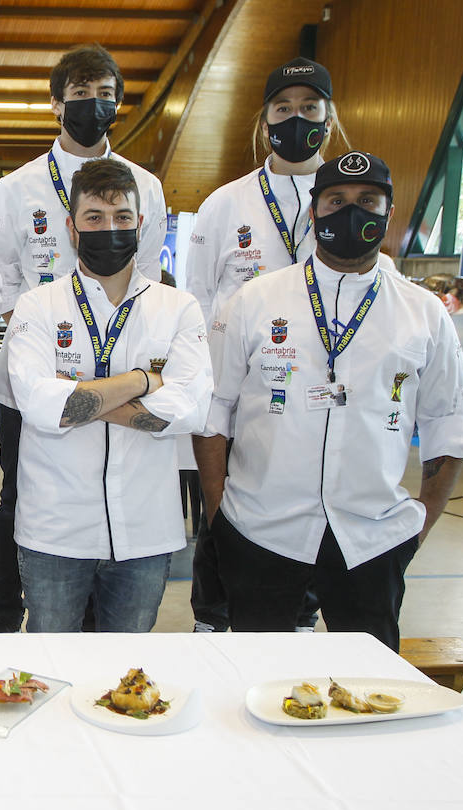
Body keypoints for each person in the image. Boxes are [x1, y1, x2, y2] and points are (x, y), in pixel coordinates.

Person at [197, 152, 463, 652]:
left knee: (368, 693)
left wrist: (420, 523)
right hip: (262, 529)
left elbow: (448, 425)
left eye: (367, 201)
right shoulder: (255, 301)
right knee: (257, 678)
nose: (352, 213)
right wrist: (220, 513)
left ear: (389, 214)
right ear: (314, 213)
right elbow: (213, 412)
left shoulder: (424, 313)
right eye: (336, 201)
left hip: (372, 537)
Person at [0, 43, 168, 632]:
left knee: (108, 485)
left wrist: (123, 381)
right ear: (57, 104)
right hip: (39, 369)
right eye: (82, 95)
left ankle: (95, 615)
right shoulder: (17, 188)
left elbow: (150, 278)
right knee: (19, 497)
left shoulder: (145, 185)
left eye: (105, 95)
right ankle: (7, 611)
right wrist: (42, 355)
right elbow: (1, 280)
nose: (94, 106)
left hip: (119, 372)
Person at [7, 159, 211, 632]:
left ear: (140, 224)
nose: (109, 228)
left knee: (126, 674)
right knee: (49, 664)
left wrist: (77, 399)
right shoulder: (38, 305)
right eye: (94, 218)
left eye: (121, 217)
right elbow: (40, 406)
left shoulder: (177, 307)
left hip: (145, 532)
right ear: (71, 228)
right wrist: (144, 379)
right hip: (55, 532)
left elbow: (190, 409)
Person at [186, 57, 349, 634]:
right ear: (265, 120)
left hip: (317, 392)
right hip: (241, 387)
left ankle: (301, 614)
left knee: (309, 505)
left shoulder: (347, 196)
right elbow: (199, 301)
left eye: (309, 108)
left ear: (328, 119)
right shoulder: (225, 205)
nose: (296, 118)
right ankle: (212, 615)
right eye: (283, 108)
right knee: (224, 505)